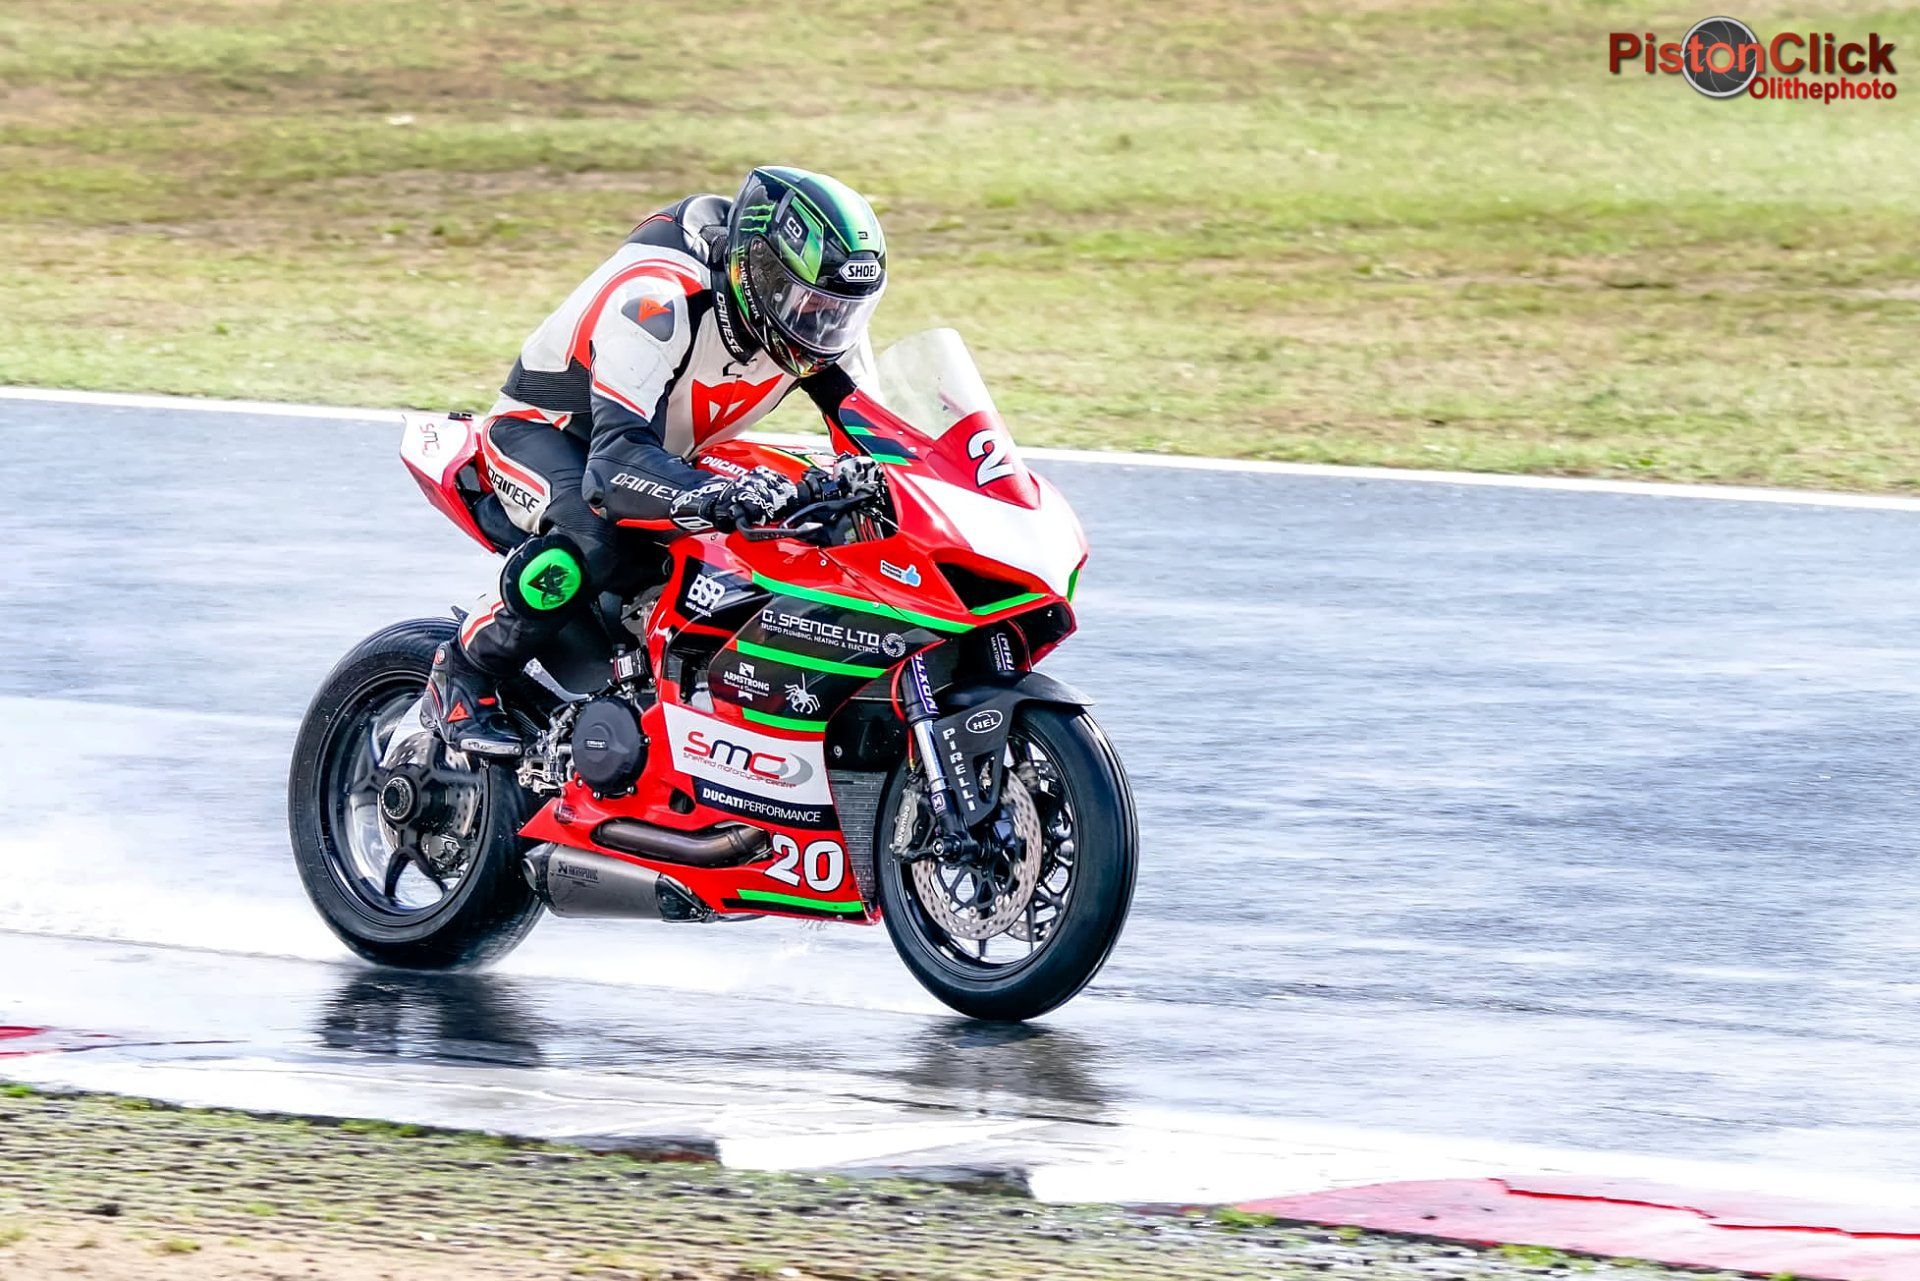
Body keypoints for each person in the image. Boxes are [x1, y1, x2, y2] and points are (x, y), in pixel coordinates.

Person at [423, 166, 887, 757]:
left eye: (840, 310)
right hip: (551, 437)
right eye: (808, 303)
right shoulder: (659, 297)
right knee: (593, 534)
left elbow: (880, 440)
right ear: (760, 273)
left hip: (665, 453)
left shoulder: (821, 327)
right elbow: (611, 469)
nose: (821, 323)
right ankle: (465, 668)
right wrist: (713, 495)